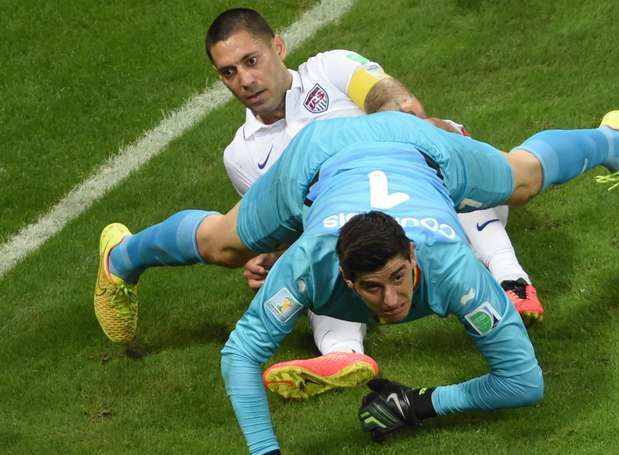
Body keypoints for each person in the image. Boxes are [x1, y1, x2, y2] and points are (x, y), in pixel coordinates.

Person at [94, 109, 619, 455]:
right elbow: (240, 354)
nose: (392, 301)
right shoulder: (308, 262)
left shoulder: (453, 268)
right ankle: (121, 258)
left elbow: (525, 383)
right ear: (343, 277)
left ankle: (617, 142)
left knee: (519, 180)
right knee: (225, 243)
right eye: (372, 289)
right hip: (315, 160)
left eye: (398, 278)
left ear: (412, 255)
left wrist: (423, 405)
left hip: (416, 145)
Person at [206, 8, 542, 394]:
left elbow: (403, 109)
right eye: (229, 72)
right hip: (359, 236)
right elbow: (292, 231)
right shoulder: (240, 156)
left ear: (278, 47)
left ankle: (510, 279)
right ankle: (341, 354)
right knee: (324, 259)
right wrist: (270, 257)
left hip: (419, 178)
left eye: (251, 61)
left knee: (443, 188)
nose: (245, 80)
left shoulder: (328, 69)